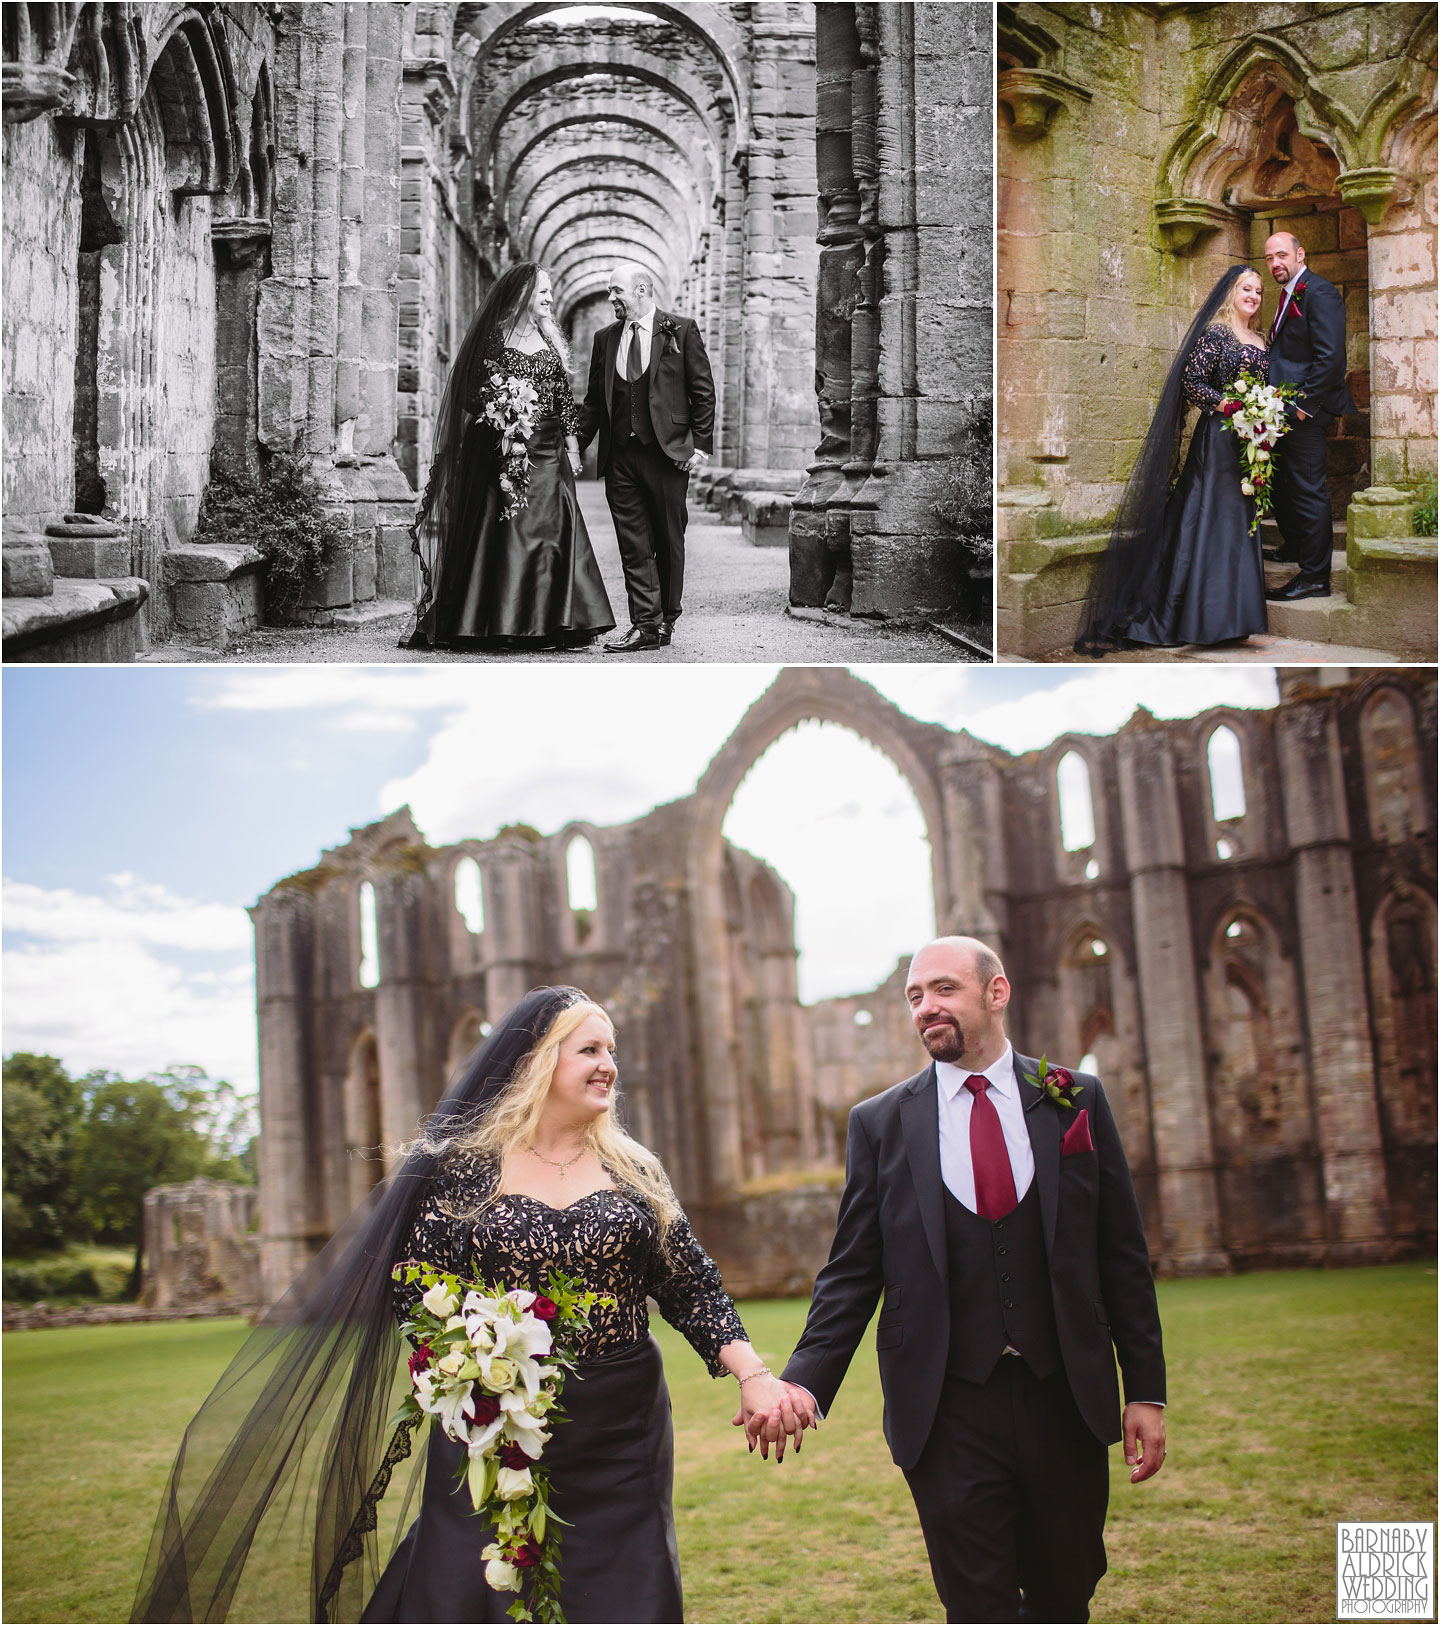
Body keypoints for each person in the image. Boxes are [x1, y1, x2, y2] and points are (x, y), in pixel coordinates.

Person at [133, 987, 795, 1624]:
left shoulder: (635, 1172)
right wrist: (473, 1373)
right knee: (470, 1587)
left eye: (611, 1051)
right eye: (591, 1050)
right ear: (540, 1060)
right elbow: (417, 1289)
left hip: (620, 1430)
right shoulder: (463, 1172)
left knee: (627, 1588)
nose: (609, 1066)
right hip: (491, 1426)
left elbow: (692, 1287)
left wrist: (753, 1375)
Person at [751, 937, 1167, 1624]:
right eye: (915, 996)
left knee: (1067, 1590)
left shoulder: (1073, 1099)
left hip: (1066, 1395)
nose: (926, 1008)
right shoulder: (881, 1124)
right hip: (946, 1410)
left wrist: (1145, 1389)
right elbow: (853, 1272)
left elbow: (1121, 1253)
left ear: (996, 993)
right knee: (977, 1603)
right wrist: (803, 1381)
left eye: (944, 989)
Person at [404, 263, 614, 652]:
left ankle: (555, 623)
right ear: (523, 295)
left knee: (553, 529)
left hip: (548, 447)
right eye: (544, 292)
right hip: (501, 447)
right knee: (503, 530)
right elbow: (468, 391)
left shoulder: (550, 340)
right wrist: (503, 409)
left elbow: (564, 399)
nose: (550, 299)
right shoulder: (492, 338)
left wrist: (572, 448)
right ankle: (498, 622)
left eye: (551, 292)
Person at [1073, 265, 1273, 654]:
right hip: (1217, 441)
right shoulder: (1217, 333)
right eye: (1246, 289)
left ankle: (1233, 620)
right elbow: (1192, 381)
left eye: (1259, 291)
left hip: (1248, 444)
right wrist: (1227, 405)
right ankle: (1197, 618)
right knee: (1209, 524)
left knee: (1238, 528)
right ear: (1231, 293)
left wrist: (1262, 422)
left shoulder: (1261, 340)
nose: (1253, 296)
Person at [577, 264, 715, 653]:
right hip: (620, 456)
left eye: (615, 290)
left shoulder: (681, 329)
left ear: (640, 289)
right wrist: (574, 447)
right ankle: (645, 625)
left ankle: (667, 616)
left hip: (667, 454)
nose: (610, 299)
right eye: (608, 292)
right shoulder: (604, 339)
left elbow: (702, 391)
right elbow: (593, 402)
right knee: (632, 542)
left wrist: (699, 446)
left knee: (669, 539)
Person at [1260, 230, 1357, 602]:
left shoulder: (1319, 292)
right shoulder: (1287, 295)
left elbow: (1330, 358)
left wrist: (1301, 408)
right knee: (1285, 485)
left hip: (1307, 411)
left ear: (1301, 254)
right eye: (1269, 258)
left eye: (1282, 255)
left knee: (1308, 490)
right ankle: (1296, 547)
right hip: (1284, 409)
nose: (1275, 264)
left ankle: (1316, 576)